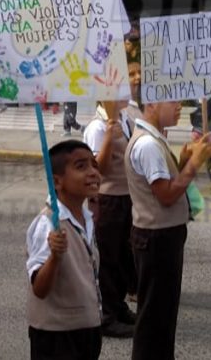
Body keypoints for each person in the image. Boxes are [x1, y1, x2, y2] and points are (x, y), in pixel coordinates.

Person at [125, 100, 211, 359]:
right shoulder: (148, 144)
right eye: (173, 101)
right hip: (157, 238)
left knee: (161, 315)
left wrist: (183, 161)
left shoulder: (153, 138)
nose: (180, 107)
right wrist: (194, 164)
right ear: (153, 103)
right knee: (155, 319)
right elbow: (165, 195)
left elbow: (165, 183)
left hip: (161, 235)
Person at [26, 140, 104, 359]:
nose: (92, 172)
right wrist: (55, 257)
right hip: (58, 336)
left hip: (86, 328)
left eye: (94, 165)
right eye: (81, 166)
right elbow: (39, 288)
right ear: (57, 182)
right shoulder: (48, 224)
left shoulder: (85, 216)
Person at [82, 100, 136, 338]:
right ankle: (106, 315)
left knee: (123, 257)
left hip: (127, 197)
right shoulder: (98, 127)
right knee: (108, 259)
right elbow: (97, 170)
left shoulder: (126, 117)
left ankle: (118, 305)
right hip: (109, 200)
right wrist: (108, 138)